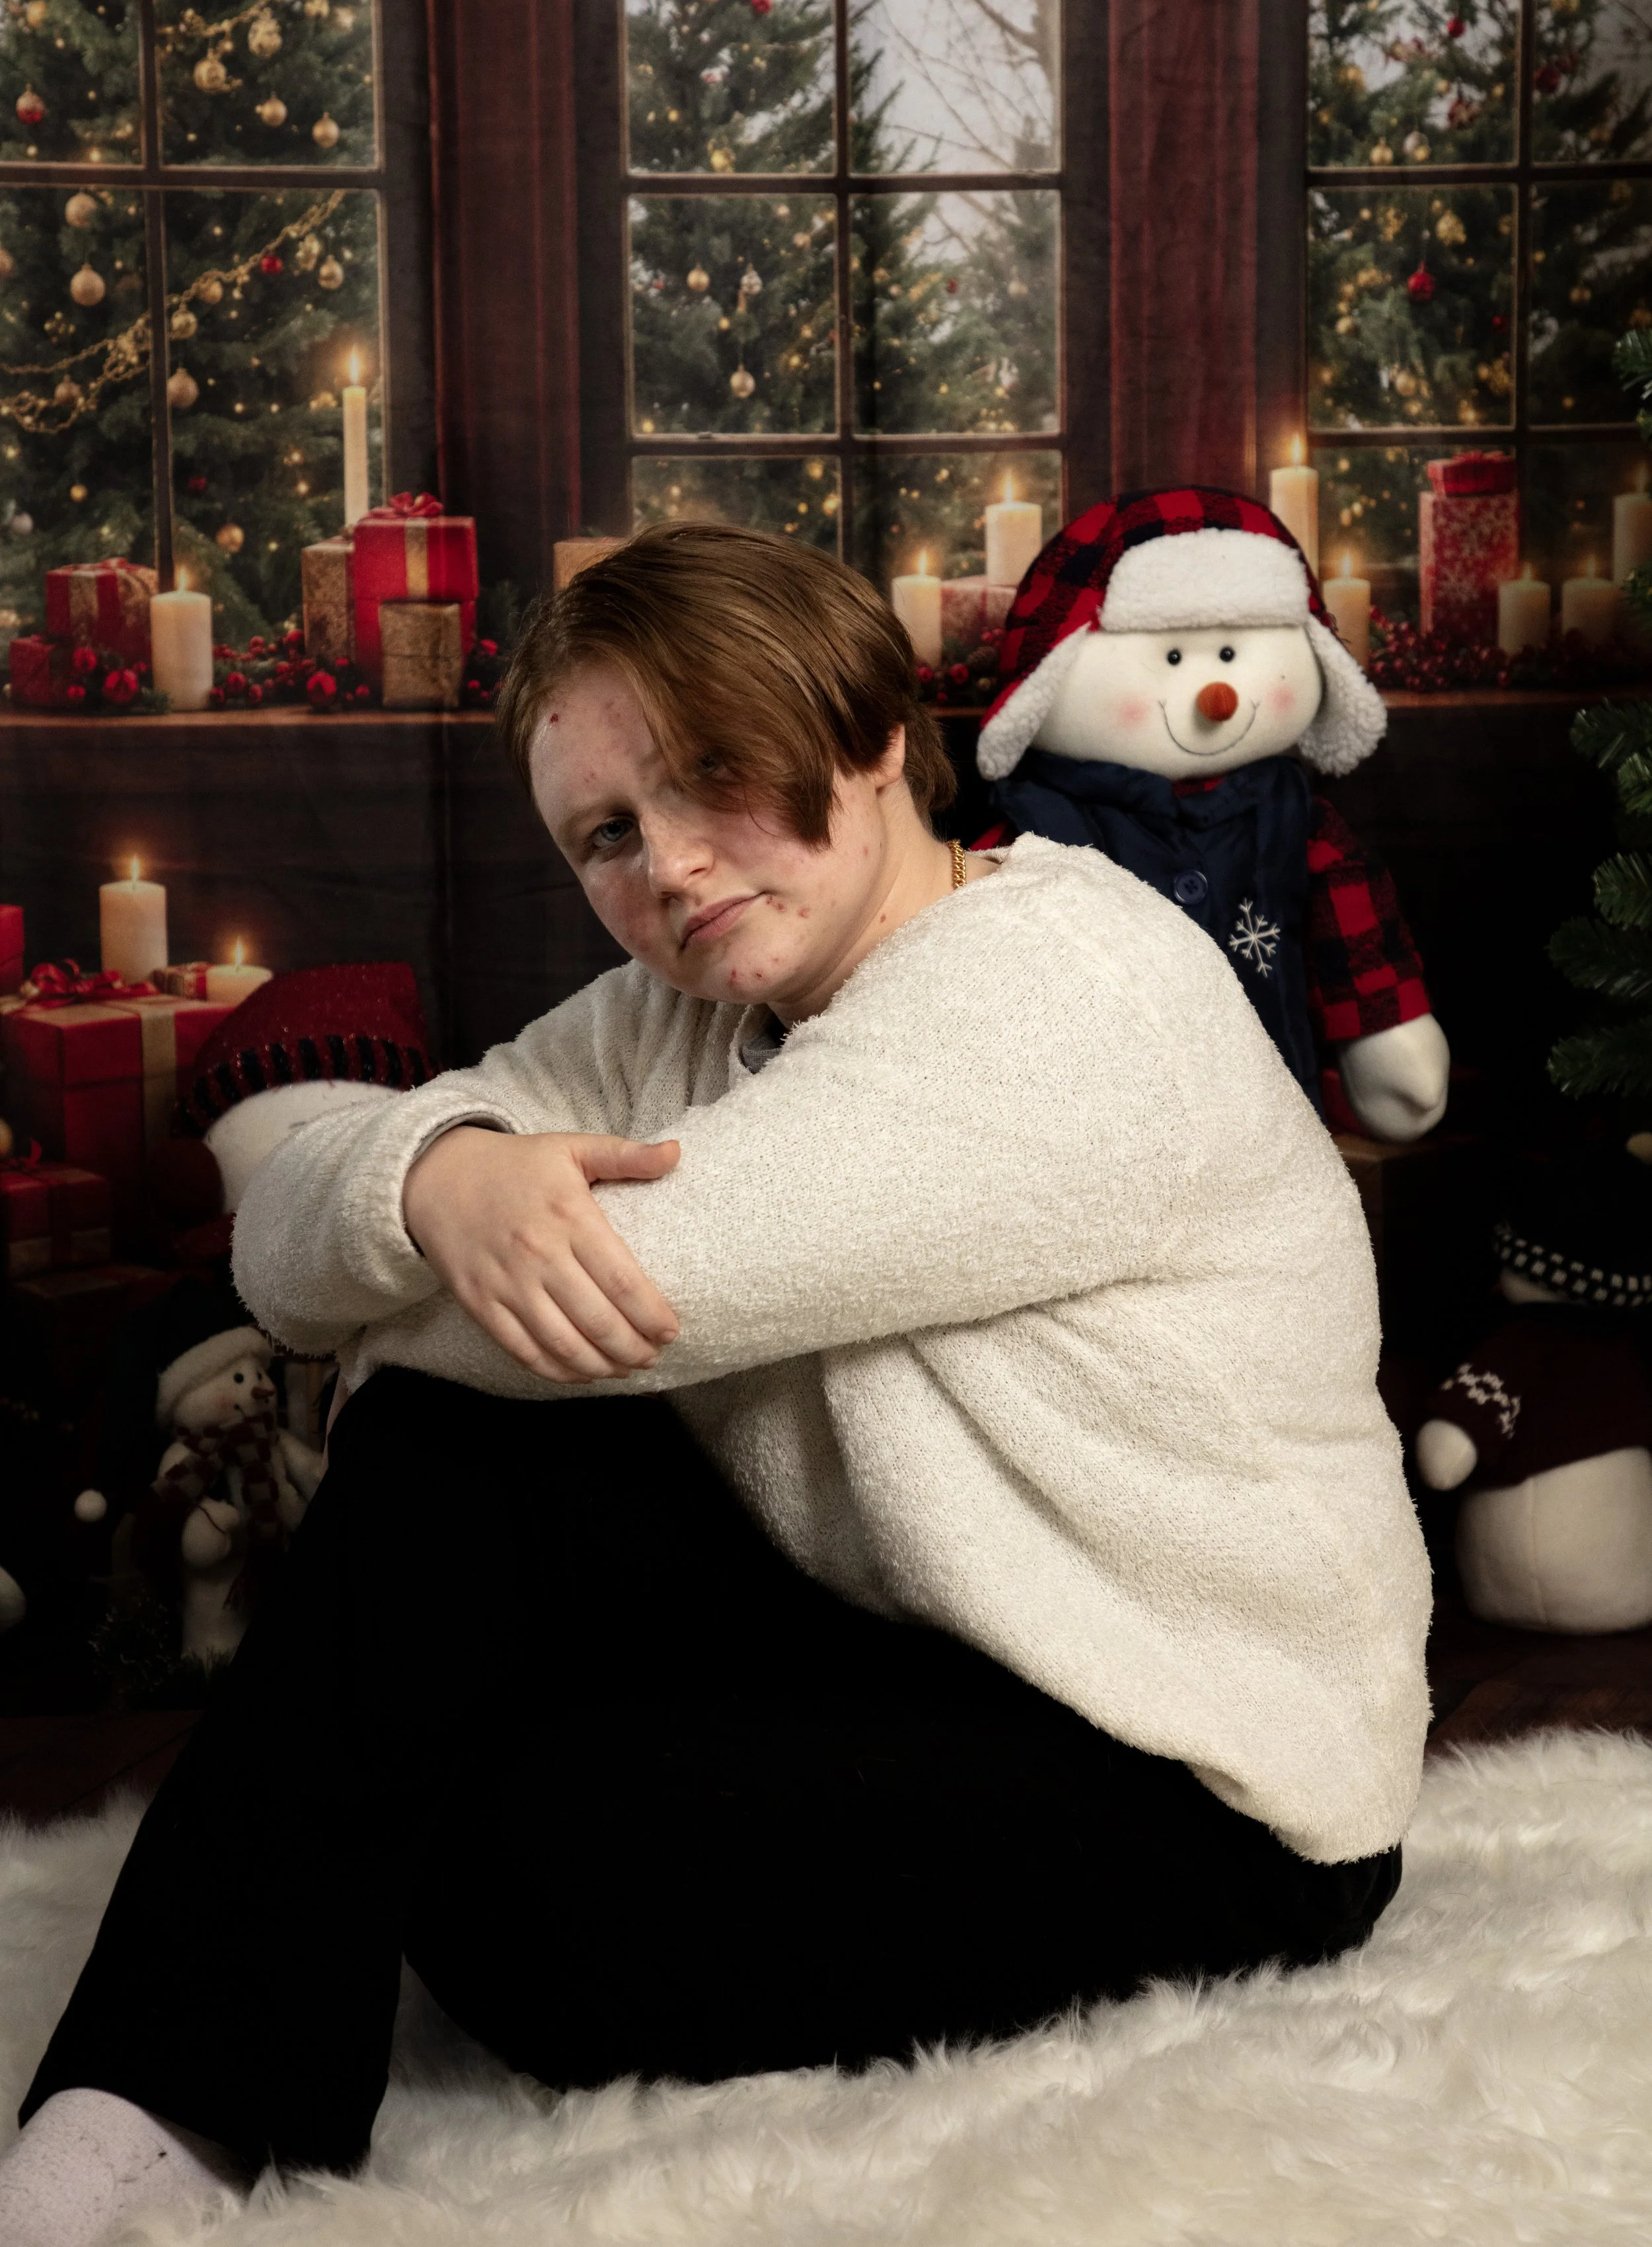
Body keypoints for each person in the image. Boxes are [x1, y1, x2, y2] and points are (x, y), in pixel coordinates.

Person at [1, 523, 1431, 2246]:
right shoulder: (673, 1014)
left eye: (714, 777)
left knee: (474, 1826)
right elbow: (283, 1244)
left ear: (870, 733)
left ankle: (223, 2046)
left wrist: (417, 1252)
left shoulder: (1069, 989)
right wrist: (440, 1173)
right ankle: (159, 2108)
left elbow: (633, 1300)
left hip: (1199, 1774)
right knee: (448, 1506)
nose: (668, 864)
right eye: (607, 831)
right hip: (921, 1639)